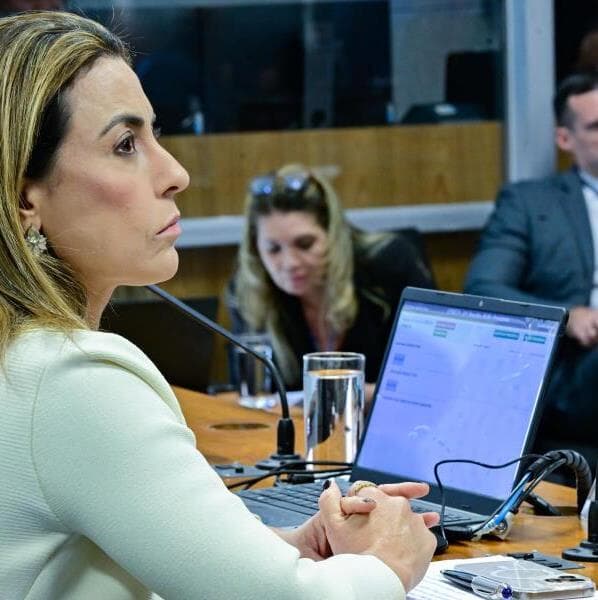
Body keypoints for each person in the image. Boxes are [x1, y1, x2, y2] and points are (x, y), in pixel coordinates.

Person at [0, 11, 439, 599]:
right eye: (125, 144)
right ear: (24, 198)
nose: (175, 173)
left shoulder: (23, 361)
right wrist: (388, 562)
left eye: (156, 136)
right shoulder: (71, 379)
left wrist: (292, 550)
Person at [464, 71, 598, 449]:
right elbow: (483, 288)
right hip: (577, 366)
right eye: (596, 127)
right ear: (565, 139)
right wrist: (567, 316)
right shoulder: (530, 204)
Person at [228, 164, 435, 393]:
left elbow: (430, 376)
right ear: (256, 249)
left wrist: (356, 395)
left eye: (305, 244)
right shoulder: (249, 290)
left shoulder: (389, 265)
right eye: (273, 249)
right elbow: (249, 390)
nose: (290, 263)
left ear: (333, 234)